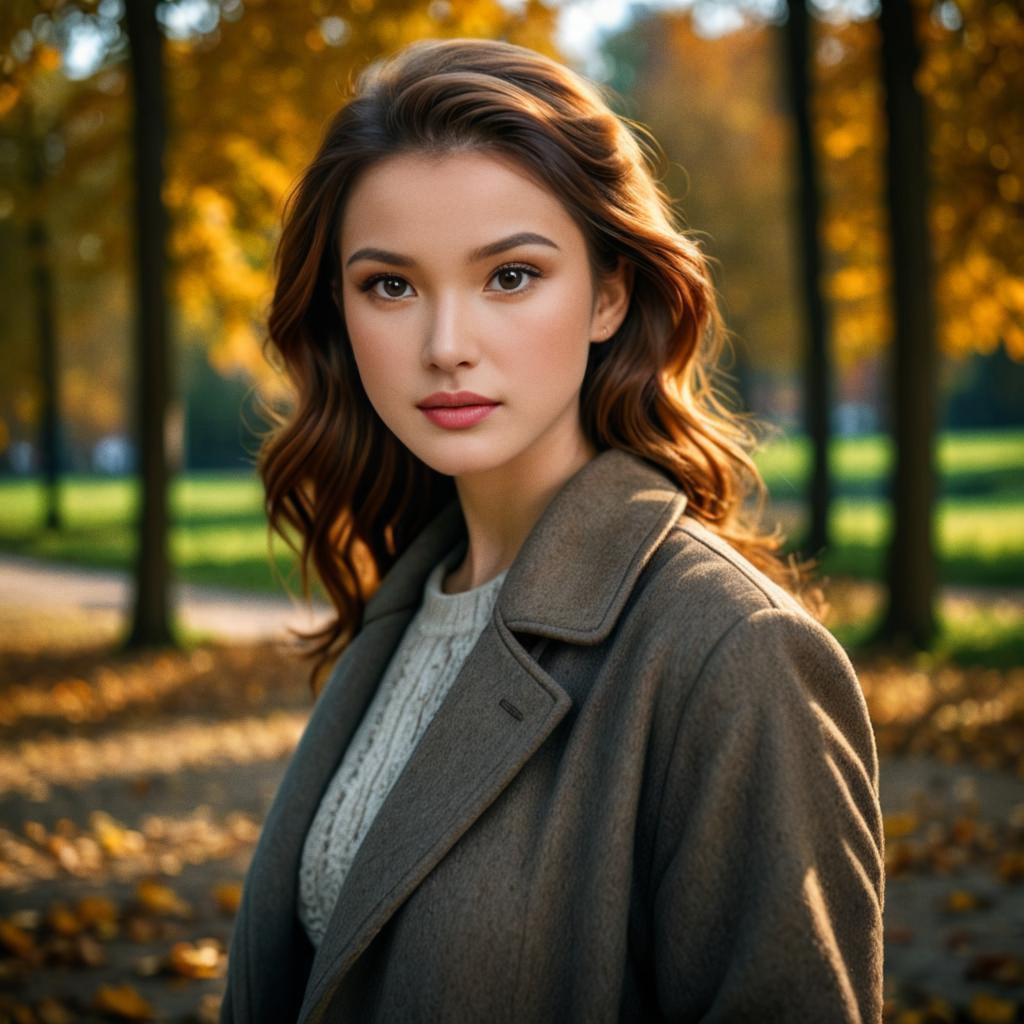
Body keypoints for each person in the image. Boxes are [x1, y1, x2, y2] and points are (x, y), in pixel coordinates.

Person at [220, 37, 884, 1024]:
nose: (446, 346)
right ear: (339, 310)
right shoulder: (406, 603)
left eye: (511, 276)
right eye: (390, 285)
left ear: (609, 293)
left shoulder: (731, 657)